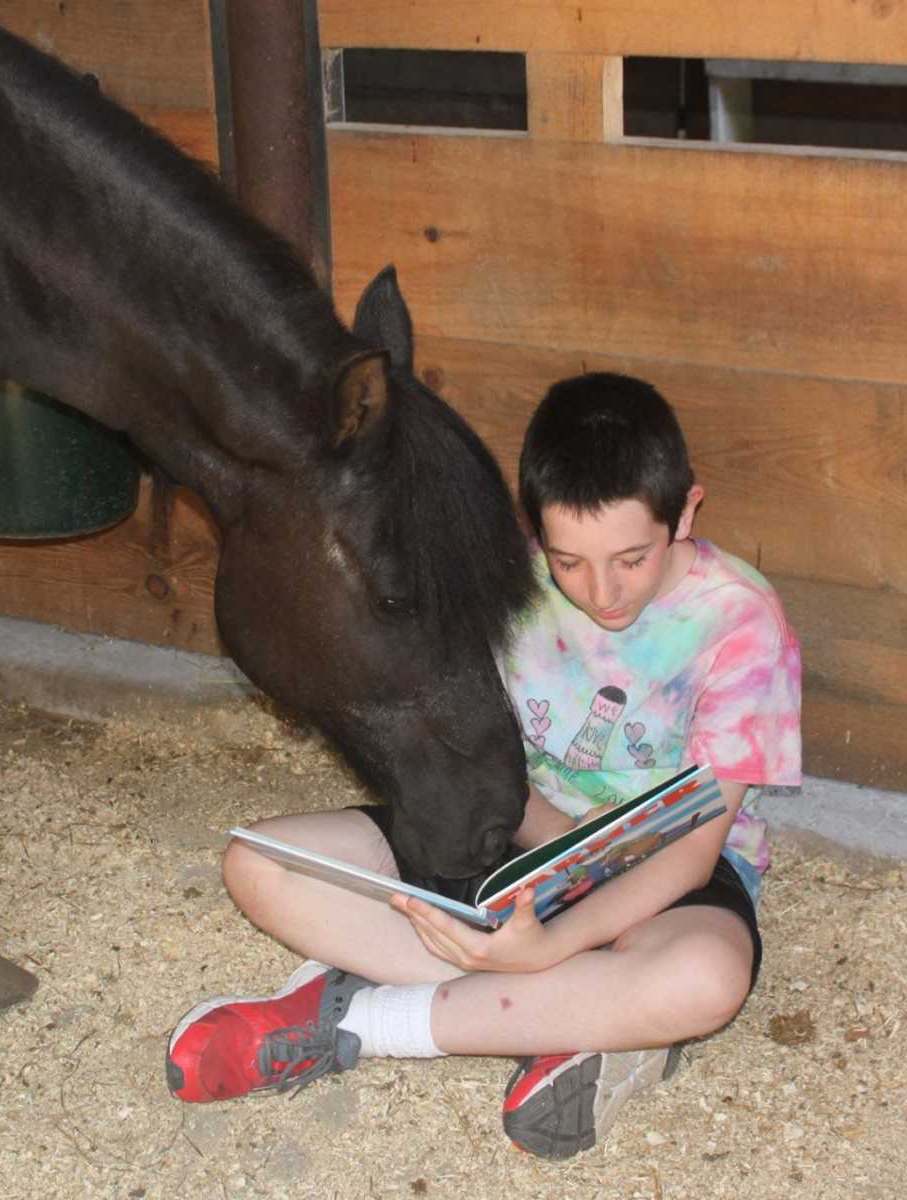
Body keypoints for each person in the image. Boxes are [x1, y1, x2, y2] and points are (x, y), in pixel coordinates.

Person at [164, 372, 802, 1159]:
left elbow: (698, 847)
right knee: (259, 865)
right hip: (512, 836)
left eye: (631, 558)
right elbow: (478, 753)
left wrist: (552, 944)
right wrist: (534, 891)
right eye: (569, 561)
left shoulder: (740, 621)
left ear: (687, 512)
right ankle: (583, 1020)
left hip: (670, 879)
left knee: (707, 981)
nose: (601, 591)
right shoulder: (511, 579)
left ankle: (365, 1022)